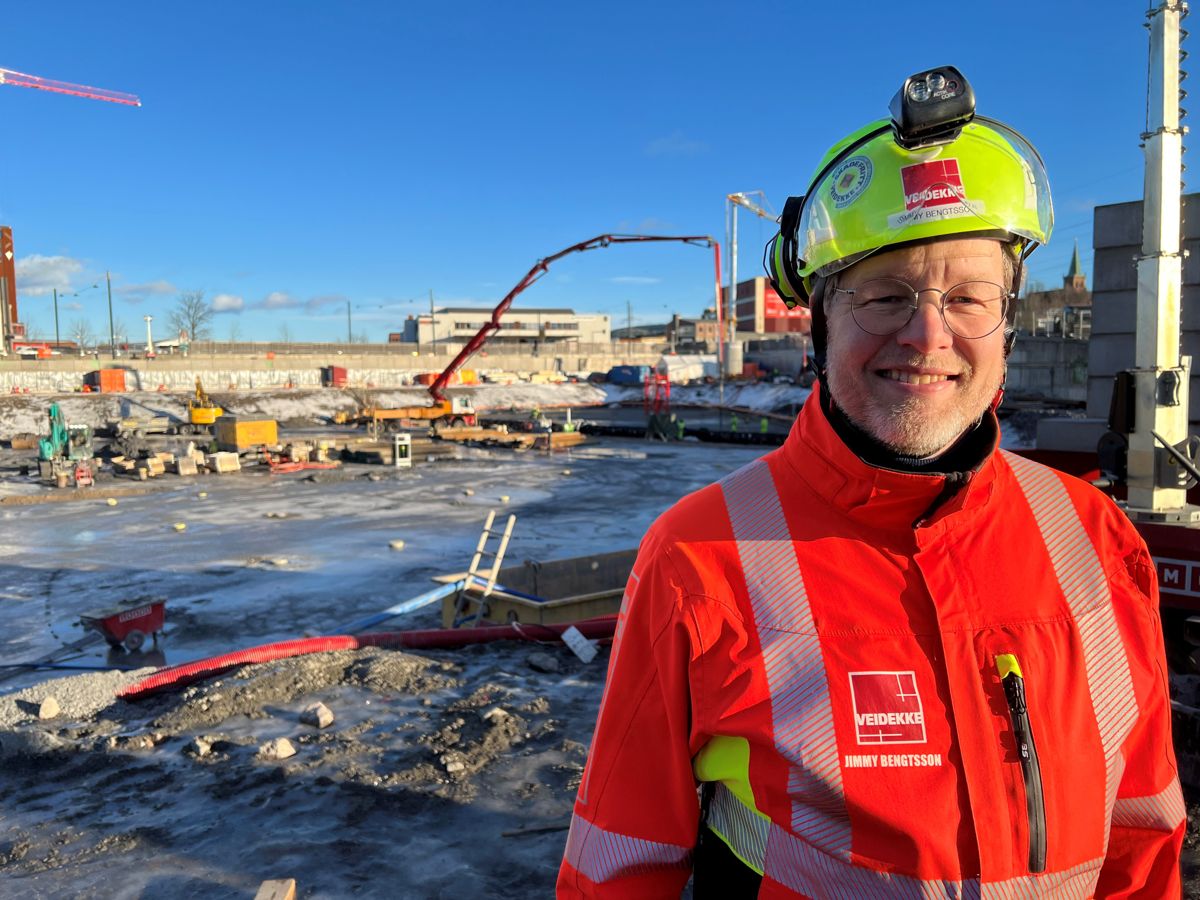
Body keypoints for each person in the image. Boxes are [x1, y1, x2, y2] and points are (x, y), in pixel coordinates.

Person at [558, 67, 1184, 898]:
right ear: (818, 322)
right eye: (885, 295)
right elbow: (620, 863)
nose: (929, 334)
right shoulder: (700, 558)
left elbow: (1142, 830)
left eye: (969, 297)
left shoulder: (1094, 537)